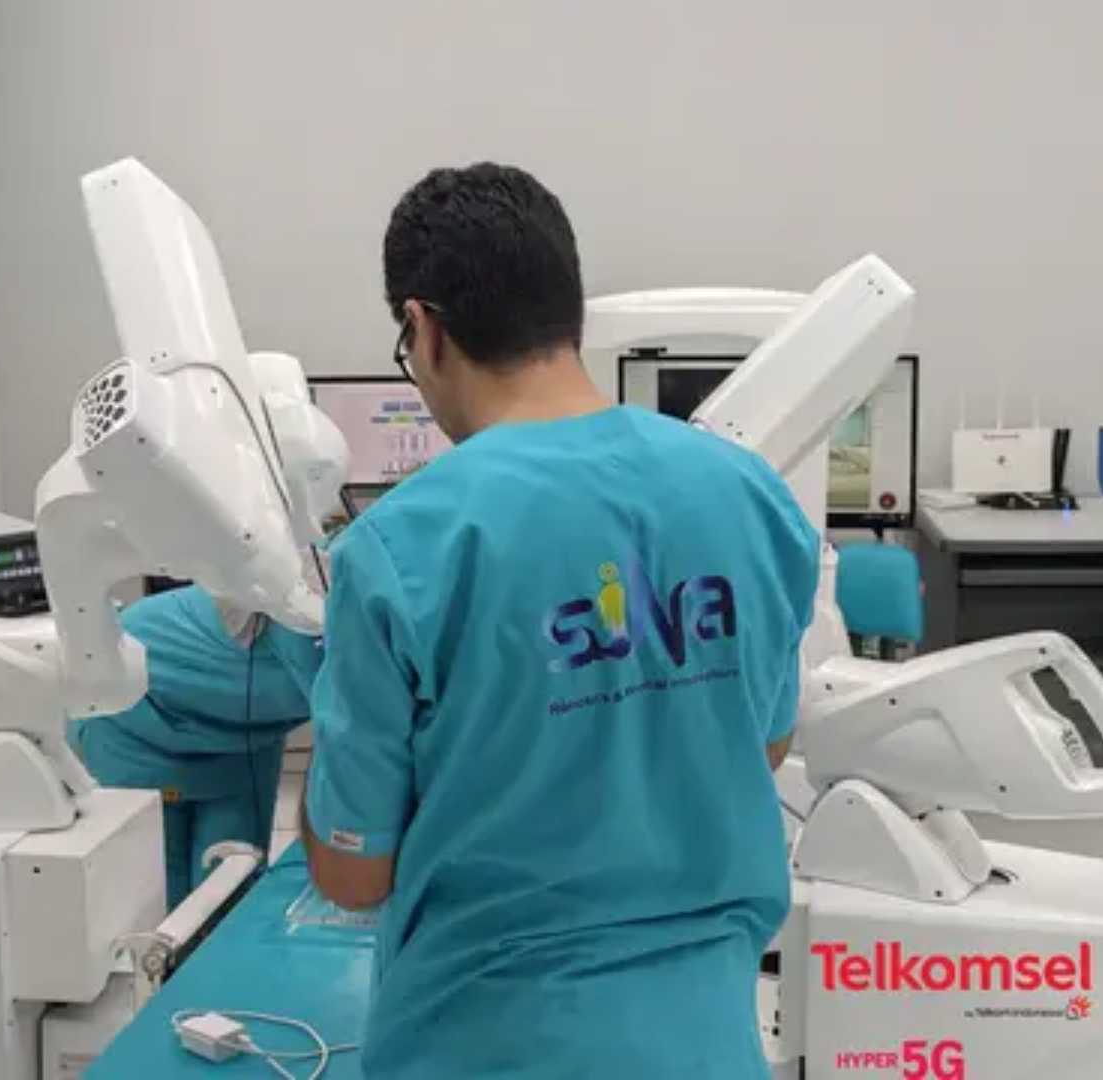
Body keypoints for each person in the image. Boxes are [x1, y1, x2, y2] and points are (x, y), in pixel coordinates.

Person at [301, 163, 821, 1077]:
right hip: (706, 1039)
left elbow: (352, 873)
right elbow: (765, 744)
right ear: (568, 309)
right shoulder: (749, 494)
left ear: (424, 328)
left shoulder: (402, 546)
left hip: (487, 1041)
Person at [68, 584, 321, 906]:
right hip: (137, 716)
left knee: (231, 888)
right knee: (157, 894)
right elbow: (351, 750)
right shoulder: (311, 611)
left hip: (242, 739)